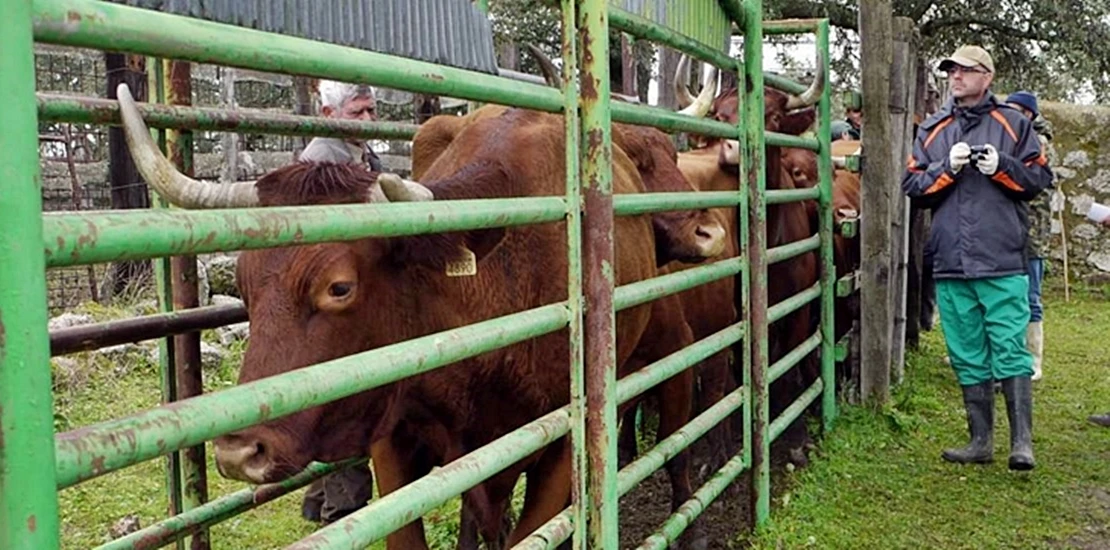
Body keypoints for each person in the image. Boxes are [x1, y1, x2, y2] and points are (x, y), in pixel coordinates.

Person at [901, 45, 1054, 471]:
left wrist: (1002, 166)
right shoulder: (933, 129)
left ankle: (1022, 444)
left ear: (986, 76)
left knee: (1009, 347)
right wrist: (944, 170)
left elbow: (1039, 178)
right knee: (967, 350)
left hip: (1001, 257)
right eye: (951, 70)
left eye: (966, 71)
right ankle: (980, 440)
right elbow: (912, 187)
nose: (955, 77)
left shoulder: (1015, 124)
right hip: (950, 260)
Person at [297, 79, 380, 524]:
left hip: (345, 300)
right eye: (358, 112)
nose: (368, 120)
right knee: (345, 404)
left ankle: (317, 498)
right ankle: (340, 513)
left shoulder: (355, 153)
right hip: (331, 306)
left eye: (371, 111)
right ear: (329, 115)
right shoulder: (320, 164)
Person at [1005, 91, 1057, 382]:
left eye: (1014, 110)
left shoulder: (1038, 142)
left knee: (1031, 296)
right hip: (1008, 229)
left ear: (1027, 114)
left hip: (1032, 233)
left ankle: (1033, 359)